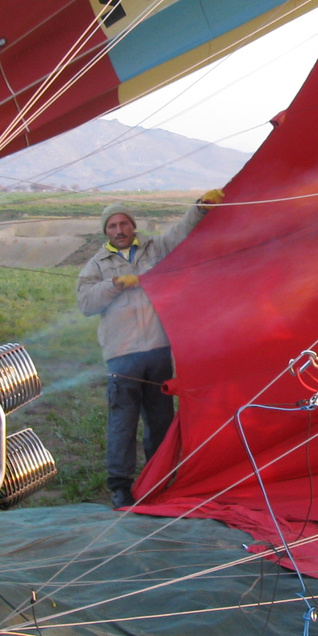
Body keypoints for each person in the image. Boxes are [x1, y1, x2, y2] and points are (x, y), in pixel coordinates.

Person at [77, 190, 221, 510]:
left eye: (124, 223)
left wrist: (199, 208)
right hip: (121, 355)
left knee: (160, 421)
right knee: (123, 423)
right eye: (112, 226)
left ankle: (159, 479)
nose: (119, 230)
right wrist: (113, 285)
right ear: (106, 232)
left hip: (157, 350)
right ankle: (120, 485)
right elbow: (85, 303)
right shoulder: (96, 265)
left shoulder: (155, 248)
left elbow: (180, 232)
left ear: (133, 226)